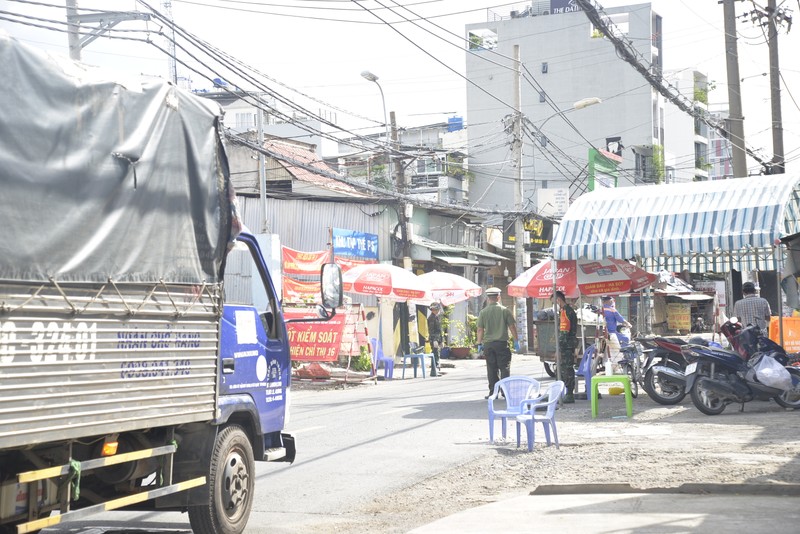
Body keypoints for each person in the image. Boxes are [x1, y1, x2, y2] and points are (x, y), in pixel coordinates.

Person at [476, 287, 520, 399]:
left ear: (488, 298)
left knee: (491, 368)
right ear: (498, 297)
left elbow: (480, 329)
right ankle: (505, 392)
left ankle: (493, 393)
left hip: (489, 345)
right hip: (502, 344)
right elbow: (512, 327)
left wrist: (479, 343)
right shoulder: (505, 311)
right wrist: (516, 340)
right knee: (504, 368)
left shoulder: (483, 312)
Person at [554, 291, 578, 403]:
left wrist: (559, 348)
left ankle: (569, 394)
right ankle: (562, 392)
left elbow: (564, 332)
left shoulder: (566, 312)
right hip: (568, 345)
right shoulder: (564, 311)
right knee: (563, 369)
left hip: (566, 346)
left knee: (567, 369)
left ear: (558, 300)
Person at [600, 296, 632, 370]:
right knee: (626, 339)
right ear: (608, 301)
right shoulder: (612, 310)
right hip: (611, 333)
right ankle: (623, 357)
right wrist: (628, 324)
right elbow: (621, 320)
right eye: (611, 301)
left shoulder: (600, 310)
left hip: (603, 333)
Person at [427, 302, 443, 377]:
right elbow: (431, 331)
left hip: (437, 338)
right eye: (435, 309)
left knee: (437, 354)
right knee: (434, 354)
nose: (436, 310)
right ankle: (433, 371)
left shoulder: (437, 317)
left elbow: (439, 330)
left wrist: (441, 340)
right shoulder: (431, 318)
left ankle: (435, 369)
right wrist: (434, 340)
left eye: (437, 309)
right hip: (434, 339)